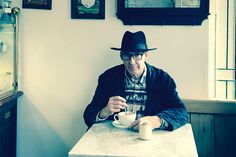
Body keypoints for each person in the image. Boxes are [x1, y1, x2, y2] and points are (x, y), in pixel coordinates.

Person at [83, 31, 188, 131]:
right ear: (121, 56)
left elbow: (182, 112)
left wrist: (156, 121)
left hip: (149, 138)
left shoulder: (163, 79)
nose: (131, 62)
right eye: (126, 55)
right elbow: (88, 116)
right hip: (115, 139)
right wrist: (104, 111)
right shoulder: (108, 78)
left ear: (146, 55)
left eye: (137, 55)